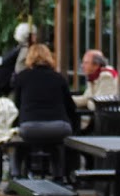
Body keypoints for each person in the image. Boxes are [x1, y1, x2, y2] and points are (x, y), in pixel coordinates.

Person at [11, 43, 77, 181]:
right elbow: (70, 105)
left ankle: (15, 175)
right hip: (59, 127)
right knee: (55, 145)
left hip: (30, 127)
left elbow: (16, 106)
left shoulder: (22, 77)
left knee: (20, 145)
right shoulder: (59, 78)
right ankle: (59, 176)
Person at [72, 49, 120, 131]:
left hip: (112, 122)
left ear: (96, 65)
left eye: (86, 63)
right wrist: (65, 99)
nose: (82, 65)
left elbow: (98, 105)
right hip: (102, 118)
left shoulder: (107, 77)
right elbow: (86, 98)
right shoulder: (94, 76)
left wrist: (88, 100)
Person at [0, 22, 36, 96]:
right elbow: (20, 70)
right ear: (29, 36)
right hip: (15, 89)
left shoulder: (18, 48)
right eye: (34, 34)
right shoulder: (25, 50)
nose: (36, 37)